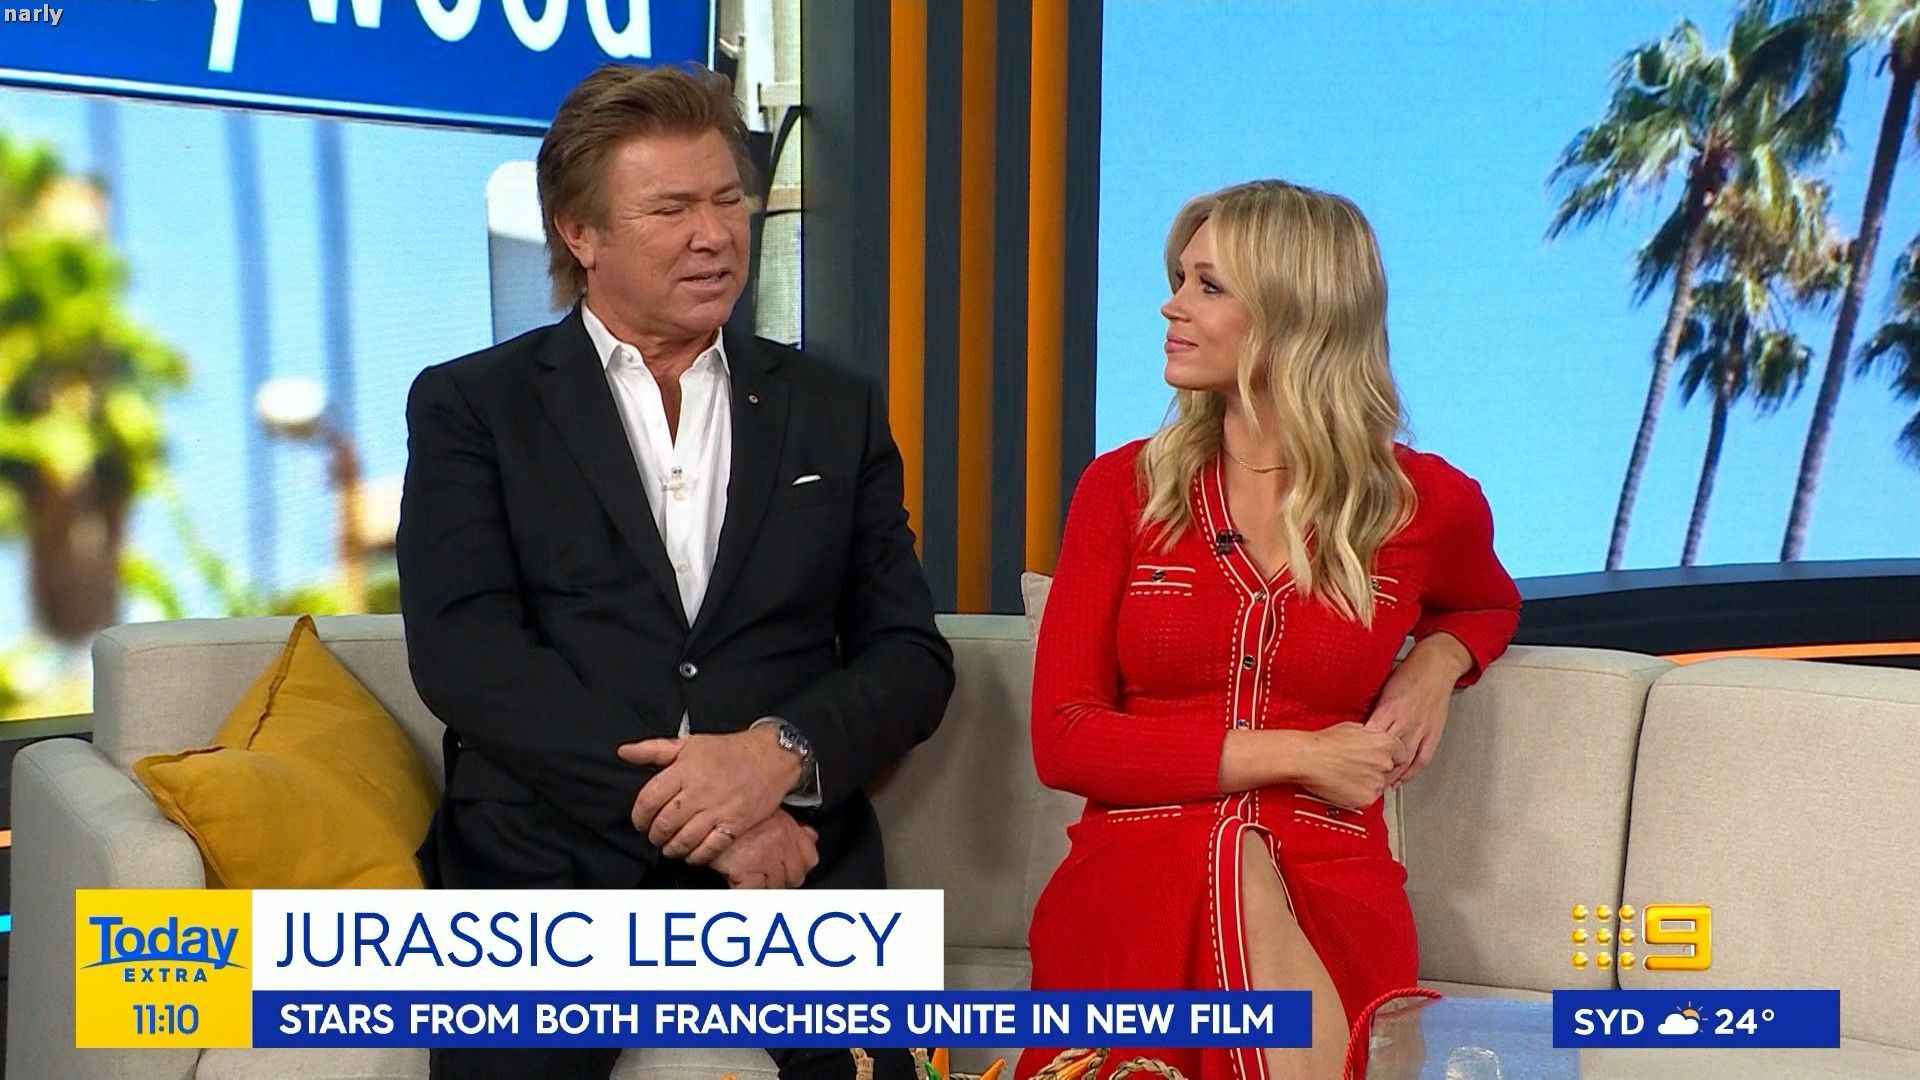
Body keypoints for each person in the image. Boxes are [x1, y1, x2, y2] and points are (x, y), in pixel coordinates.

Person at [396, 63, 954, 1080]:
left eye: (728, 201)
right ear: (579, 232)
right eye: (672, 209)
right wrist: (710, 814)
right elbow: (466, 655)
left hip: (793, 861)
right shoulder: (474, 407)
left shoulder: (834, 408)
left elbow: (908, 656)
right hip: (552, 862)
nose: (715, 235)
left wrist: (777, 757)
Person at [1017, 180, 1521, 1080]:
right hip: (1133, 867)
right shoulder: (1121, 491)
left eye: (1208, 286)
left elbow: (1486, 604)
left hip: (1330, 875)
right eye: (1179, 279)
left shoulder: (1423, 504)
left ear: (1297, 316)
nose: (1172, 306)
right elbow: (1065, 739)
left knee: (1240, 860)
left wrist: (1438, 663)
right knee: (1223, 852)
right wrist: (1299, 754)